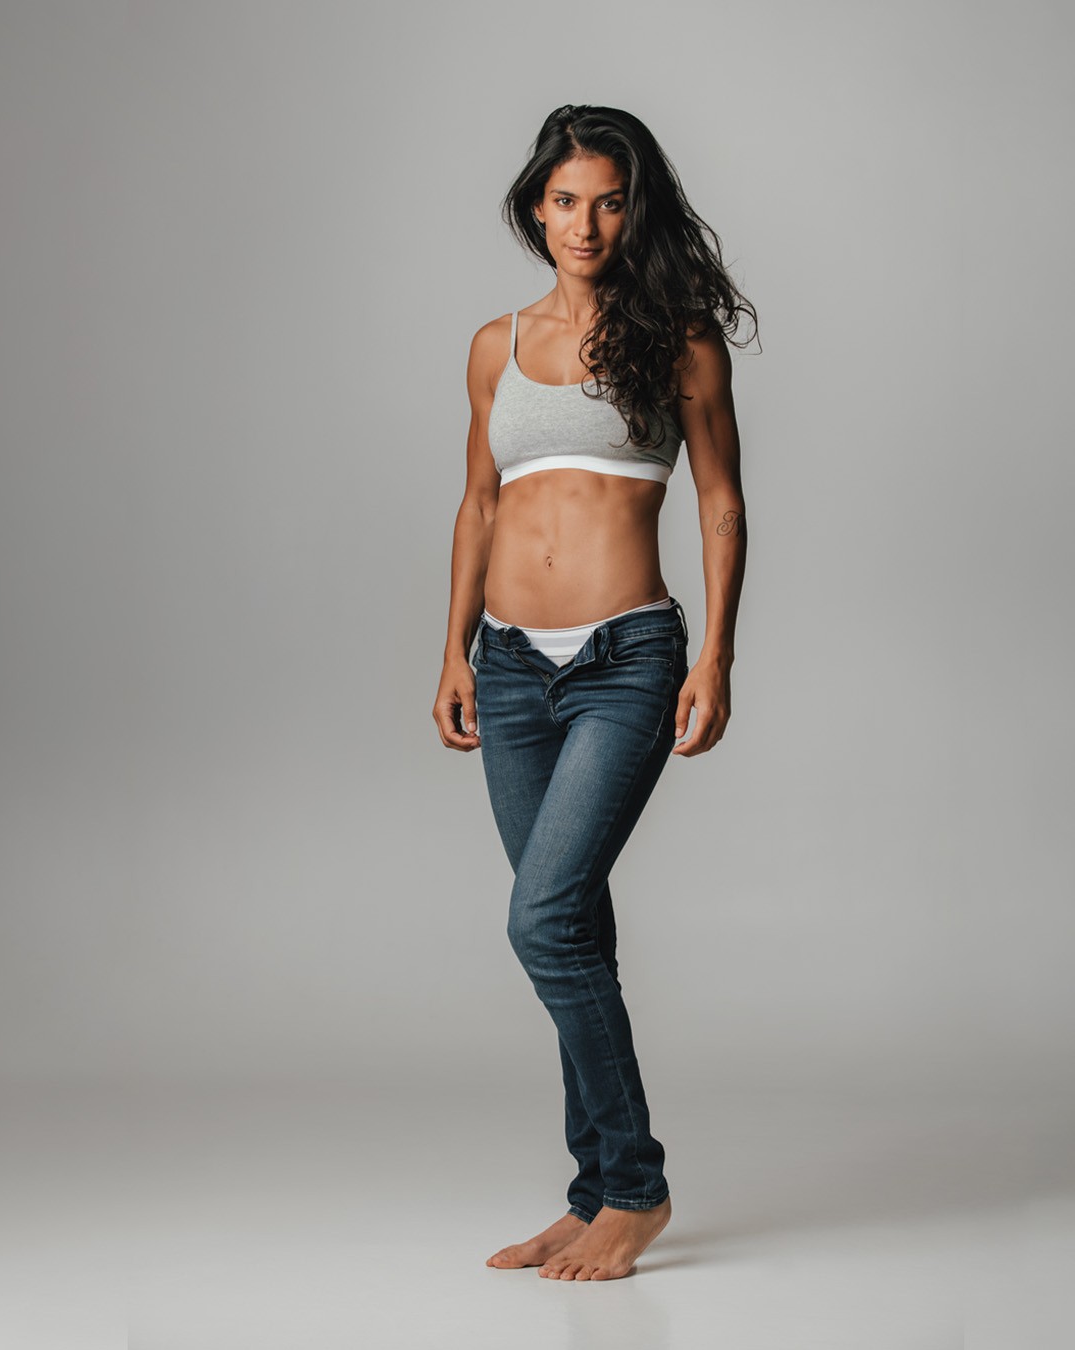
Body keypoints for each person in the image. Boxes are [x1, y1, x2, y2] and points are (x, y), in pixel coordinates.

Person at [431, 104, 756, 1282]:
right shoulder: (494, 344)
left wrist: (715, 655)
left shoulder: (679, 339)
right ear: (534, 205)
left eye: (609, 199)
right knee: (574, 926)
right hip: (512, 668)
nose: (585, 221)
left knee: (542, 918)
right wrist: (455, 649)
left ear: (637, 207)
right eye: (565, 199)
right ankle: (590, 1195)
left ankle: (636, 1186)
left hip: (627, 660)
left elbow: (719, 504)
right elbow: (479, 503)